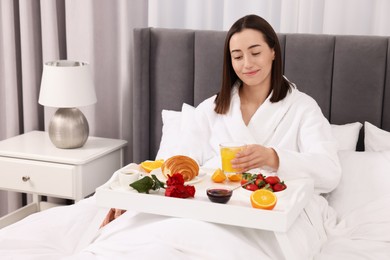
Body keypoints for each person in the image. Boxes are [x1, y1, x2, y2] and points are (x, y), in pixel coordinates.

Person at [0, 14, 341, 260]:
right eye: (237, 56)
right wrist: (134, 197)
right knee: (141, 238)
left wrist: (274, 157)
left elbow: (329, 171)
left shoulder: (302, 108)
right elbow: (172, 164)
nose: (247, 63)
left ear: (273, 52)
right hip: (202, 202)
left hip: (258, 212)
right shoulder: (213, 108)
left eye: (255, 52)